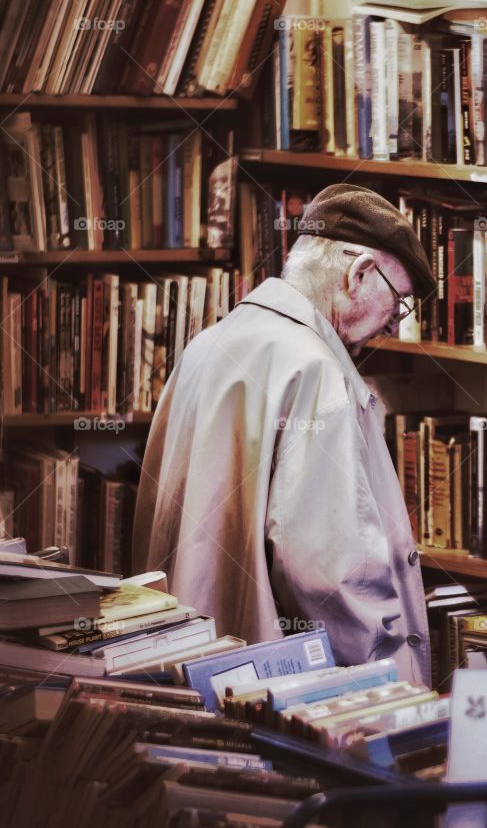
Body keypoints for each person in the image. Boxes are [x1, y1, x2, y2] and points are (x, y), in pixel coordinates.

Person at [132, 184, 437, 685]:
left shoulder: (209, 345)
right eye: (398, 303)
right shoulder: (315, 371)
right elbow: (329, 577)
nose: (392, 325)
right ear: (358, 274)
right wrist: (388, 680)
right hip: (273, 690)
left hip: (181, 665)